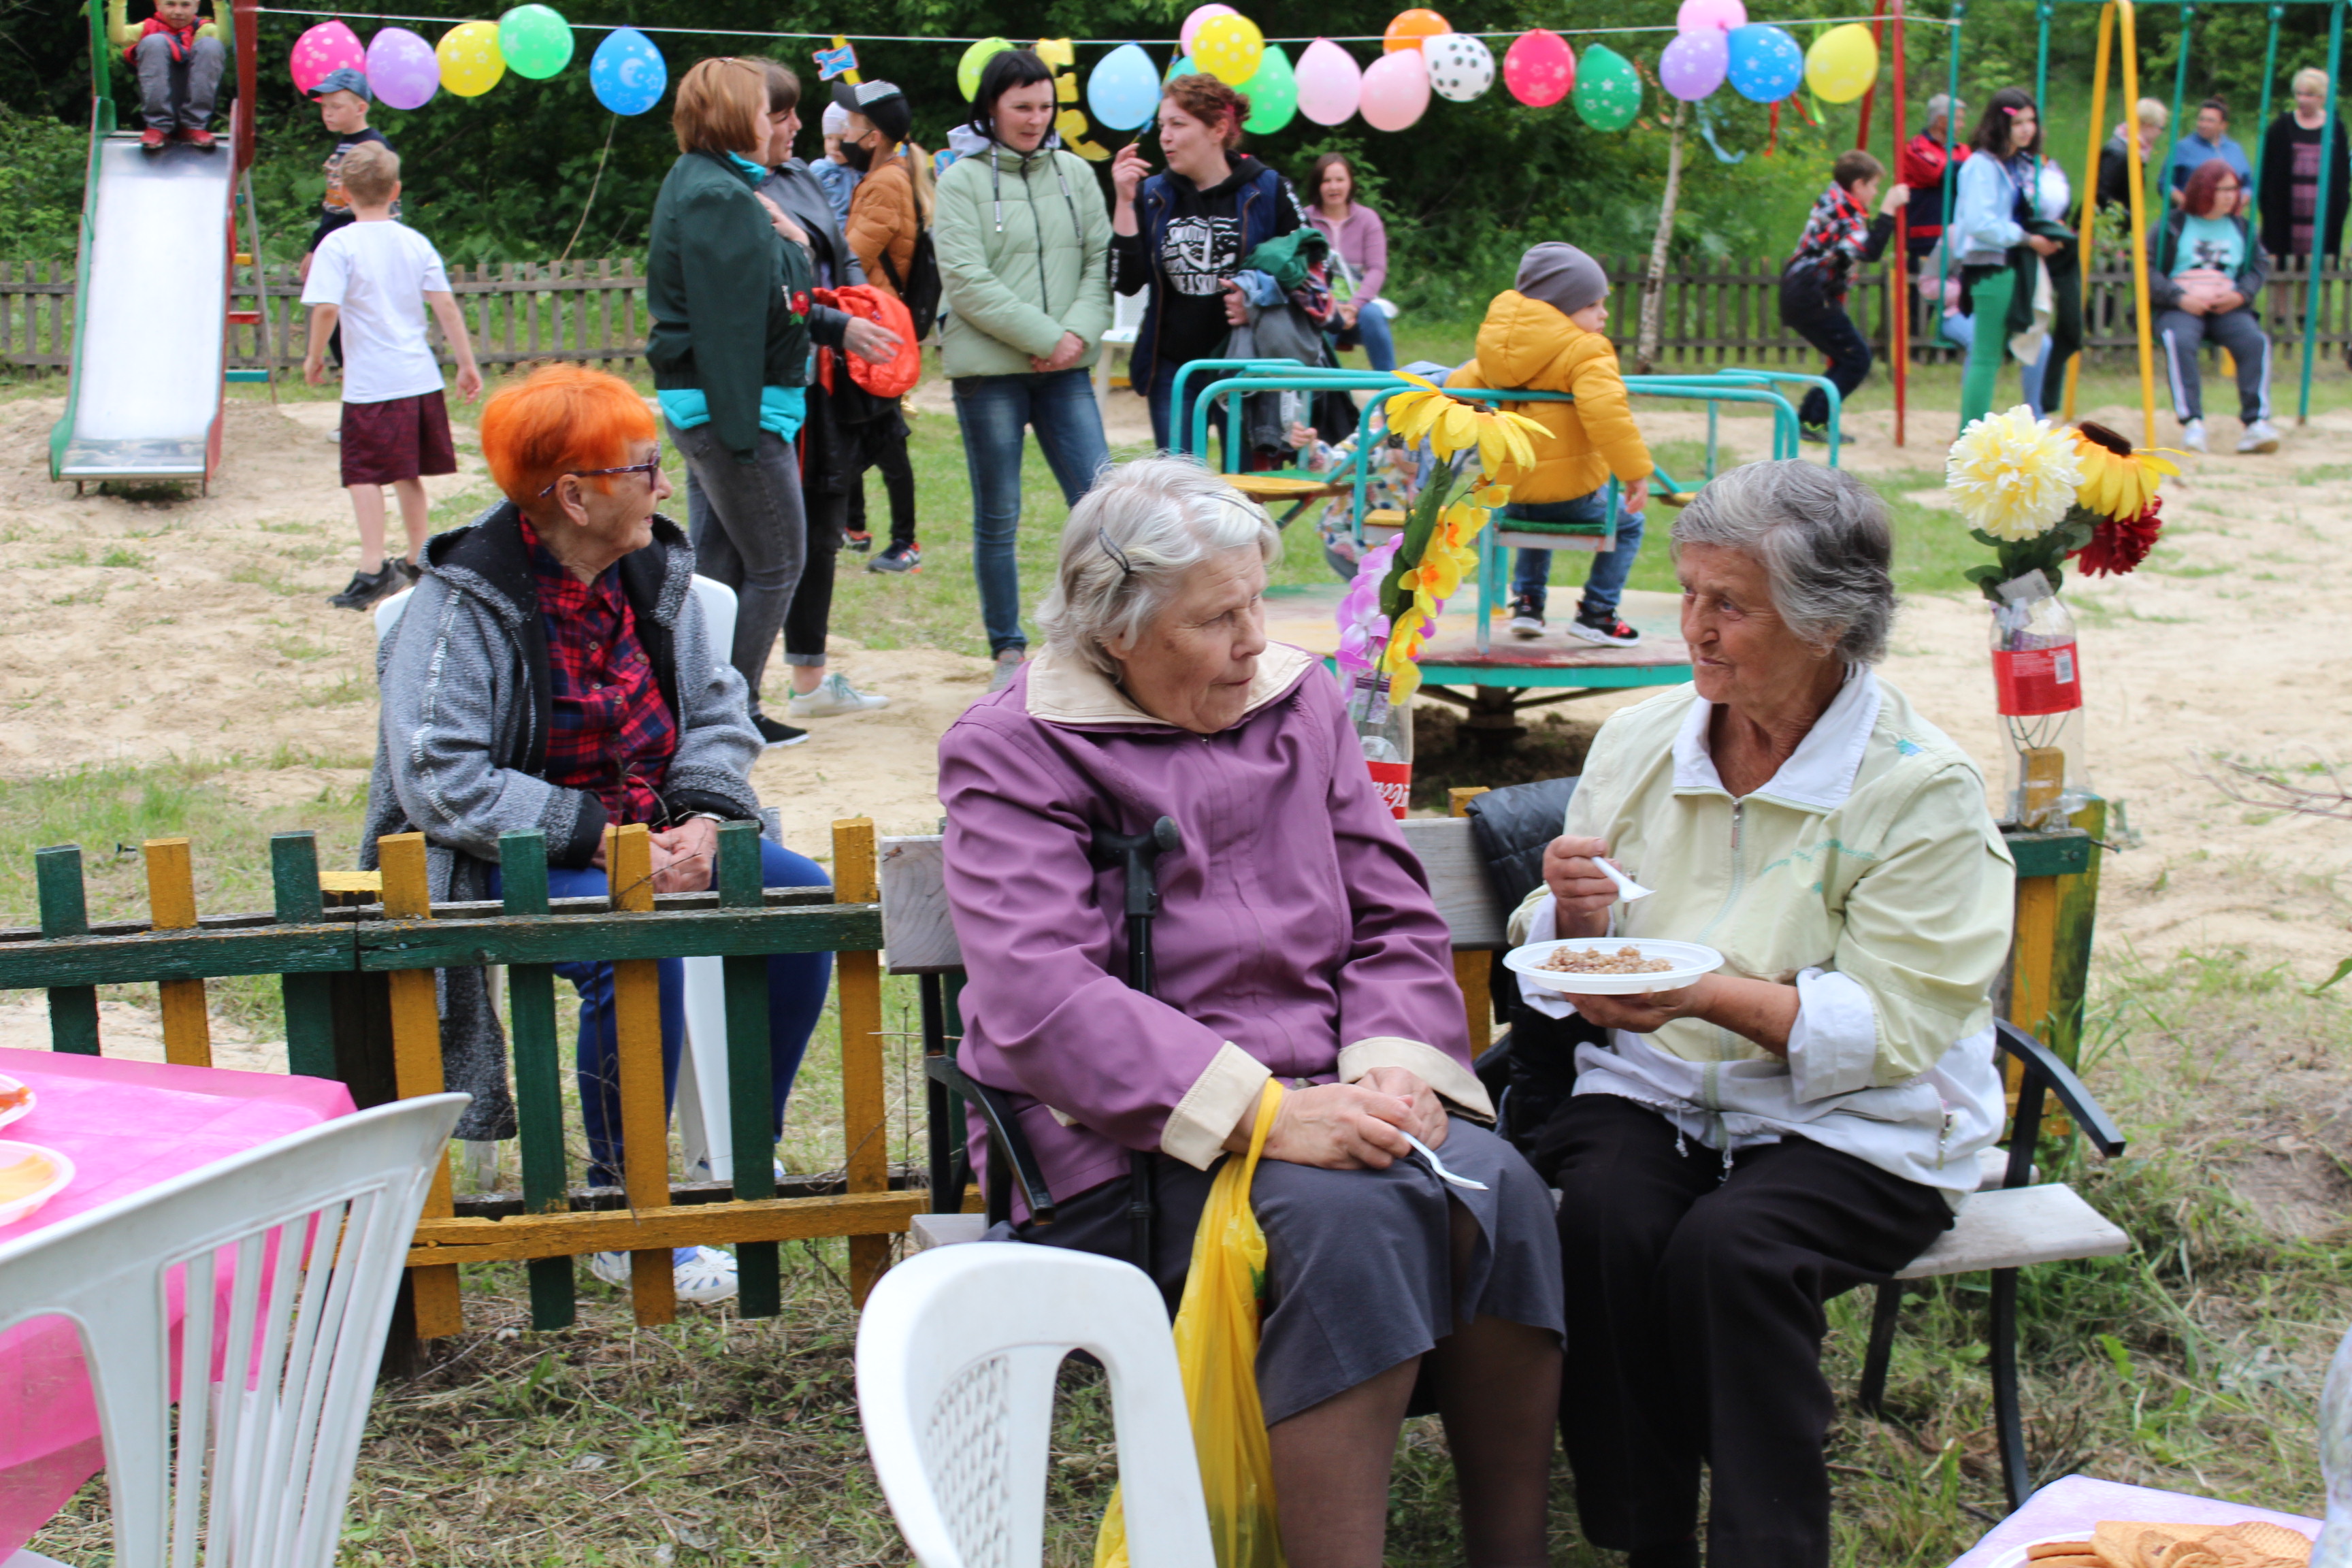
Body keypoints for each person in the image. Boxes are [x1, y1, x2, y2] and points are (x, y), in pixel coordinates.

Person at [939, 455, 1564, 1568]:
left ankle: (1509, 1553)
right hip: (1126, 1141)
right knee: (1351, 1224)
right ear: (1115, 629)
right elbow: (1039, 991)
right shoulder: (1015, 746)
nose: (1250, 640)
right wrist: (1266, 1112)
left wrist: (1394, 1068)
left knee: (1499, 1190)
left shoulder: (1298, 697)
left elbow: (1388, 912)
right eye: (1215, 617)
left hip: (1332, 1094)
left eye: (1256, 604)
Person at [1510, 459, 2012, 1568]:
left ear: (1827, 620)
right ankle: (1646, 1537)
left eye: (1727, 603)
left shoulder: (1919, 788)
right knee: (1602, 1217)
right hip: (1657, 1081)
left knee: (1730, 1252)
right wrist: (1567, 905)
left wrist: (1698, 991)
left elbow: (1893, 1027)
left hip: (1864, 1119)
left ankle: (1766, 1547)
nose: (1692, 626)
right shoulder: (1644, 739)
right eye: (1686, 592)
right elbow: (1561, 944)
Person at [361, 363, 838, 1307]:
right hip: (503, 855)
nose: (665, 486)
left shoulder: (656, 576)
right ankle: (627, 1213)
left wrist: (704, 817)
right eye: (643, 469)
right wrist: (600, 841)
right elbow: (440, 779)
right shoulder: (455, 605)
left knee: (801, 901)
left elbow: (720, 712)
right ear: (573, 496)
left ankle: (743, 1164)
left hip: (659, 837)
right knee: (633, 949)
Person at [647, 57, 865, 750]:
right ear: (736, 120)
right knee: (778, 562)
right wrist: (742, 439)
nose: (797, 124)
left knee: (722, 568)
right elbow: (729, 326)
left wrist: (835, 321)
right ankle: (727, 716)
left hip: (730, 407)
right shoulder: (717, 195)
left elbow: (772, 304)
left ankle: (697, 705)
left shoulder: (725, 187)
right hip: (734, 413)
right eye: (780, 114)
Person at [934, 48, 1115, 691]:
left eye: (1045, 107)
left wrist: (1072, 337)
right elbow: (965, 279)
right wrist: (1044, 335)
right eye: (1021, 107)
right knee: (998, 514)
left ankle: (1102, 635)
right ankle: (1007, 650)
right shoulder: (959, 181)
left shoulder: (1076, 173)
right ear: (991, 108)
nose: (1035, 119)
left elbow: (1100, 263)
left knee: (1102, 505)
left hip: (1065, 365)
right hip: (991, 372)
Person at [748, 60, 894, 722]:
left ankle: (809, 681)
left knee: (825, 528)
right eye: (784, 116)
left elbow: (838, 248)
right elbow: (782, 280)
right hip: (776, 384)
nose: (801, 126)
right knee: (769, 542)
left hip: (832, 381)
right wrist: (837, 313)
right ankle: (734, 689)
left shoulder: (802, 175)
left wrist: (866, 304)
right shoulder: (736, 190)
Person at [299, 143, 483, 611]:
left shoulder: (336, 245)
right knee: (407, 473)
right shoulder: (415, 242)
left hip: (372, 385)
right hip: (419, 379)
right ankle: (420, 561)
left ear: (341, 192)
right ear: (396, 190)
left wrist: (314, 356)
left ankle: (373, 567)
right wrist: (466, 363)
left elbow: (325, 308)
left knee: (362, 474)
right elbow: (444, 305)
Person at [1450, 242, 1654, 648]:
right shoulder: (1586, 350)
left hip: (1506, 493)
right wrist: (1634, 473)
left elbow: (1455, 388)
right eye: (1594, 305)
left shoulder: (1497, 353)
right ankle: (1598, 612)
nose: (1604, 314)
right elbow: (1607, 414)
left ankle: (1527, 602)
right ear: (1562, 310)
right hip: (1569, 496)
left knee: (1532, 510)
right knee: (1629, 524)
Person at [1111, 71, 1309, 452]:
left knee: (1251, 489)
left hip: (1249, 366)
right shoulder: (1153, 194)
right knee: (1179, 492)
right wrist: (1123, 200)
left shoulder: (1267, 188)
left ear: (1218, 128)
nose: (1165, 136)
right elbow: (1125, 281)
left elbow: (1314, 268)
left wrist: (1257, 298)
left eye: (1178, 125)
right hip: (1176, 369)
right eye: (1162, 125)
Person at [834, 78, 928, 576]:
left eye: (851, 122)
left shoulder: (885, 183)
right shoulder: (888, 175)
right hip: (875, 325)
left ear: (872, 136)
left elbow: (851, 255)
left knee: (885, 440)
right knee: (859, 430)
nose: (843, 131)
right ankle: (852, 527)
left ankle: (905, 543)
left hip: (877, 329)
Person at [1952, 88, 2071, 429]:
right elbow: (1980, 222)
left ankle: (2027, 415)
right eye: (2017, 122)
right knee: (1987, 355)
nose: (2026, 129)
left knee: (2022, 344)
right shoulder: (1982, 166)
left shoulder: (2019, 165)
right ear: (1999, 123)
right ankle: (1968, 436)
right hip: (1992, 263)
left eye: (2030, 120)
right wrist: (2026, 237)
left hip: (2018, 263)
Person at [1778, 149, 1908, 444]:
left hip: (1803, 290)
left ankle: (1807, 419)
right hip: (1811, 292)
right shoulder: (1845, 211)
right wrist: (1889, 209)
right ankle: (1813, 420)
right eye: (1874, 186)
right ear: (1859, 185)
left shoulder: (1833, 198)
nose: (1876, 193)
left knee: (1846, 357)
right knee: (1857, 359)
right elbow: (1870, 251)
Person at [2153, 158, 2279, 454]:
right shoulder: (2173, 225)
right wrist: (2178, 297)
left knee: (2255, 341)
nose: (2229, 196)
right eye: (2222, 189)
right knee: (2178, 340)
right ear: (2204, 190)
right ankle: (2193, 423)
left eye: (2233, 189)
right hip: (2181, 306)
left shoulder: (2241, 228)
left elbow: (2260, 266)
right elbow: (2148, 269)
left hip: (2227, 306)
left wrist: (2241, 295)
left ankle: (2256, 423)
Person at [1305, 152, 1396, 373]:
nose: (1333, 187)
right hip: (1319, 303)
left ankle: (1392, 396)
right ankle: (1322, 400)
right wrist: (1332, 305)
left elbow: (1377, 269)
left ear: (1350, 184)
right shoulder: (1304, 219)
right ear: (1318, 185)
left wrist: (1354, 306)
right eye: (1326, 181)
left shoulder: (1368, 219)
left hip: (1359, 305)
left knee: (1373, 316)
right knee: (1326, 319)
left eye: (1339, 180)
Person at [2259, 67, 2350, 263]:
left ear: (2321, 97)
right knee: (2283, 268)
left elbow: (2342, 174)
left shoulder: (2336, 127)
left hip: (2321, 214)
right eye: (2299, 94)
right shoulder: (2280, 127)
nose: (2302, 99)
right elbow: (2268, 175)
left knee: (2316, 266)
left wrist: (2340, 206)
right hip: (2286, 213)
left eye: (2309, 95)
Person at [112, 0, 223, 151]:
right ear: (158, 5)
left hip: (195, 109)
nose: (178, 11)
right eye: (170, 4)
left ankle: (194, 125)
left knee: (211, 45)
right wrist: (117, 3)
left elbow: (225, 40)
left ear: (197, 6)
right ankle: (158, 126)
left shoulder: (204, 29)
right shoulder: (149, 27)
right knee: (154, 41)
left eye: (185, 5)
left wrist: (220, 4)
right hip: (158, 106)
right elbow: (118, 37)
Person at [2018, 150, 2076, 418]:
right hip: (2016, 253)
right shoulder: (1999, 166)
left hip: (2050, 248)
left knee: (2061, 332)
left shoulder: (2049, 166)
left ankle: (2039, 407)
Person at [1897, 93, 1965, 266]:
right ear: (1942, 121)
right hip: (1926, 237)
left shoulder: (1962, 149)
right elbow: (1939, 173)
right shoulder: (1916, 148)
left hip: (1959, 235)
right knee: (1923, 290)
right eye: (1958, 120)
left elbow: (1972, 177)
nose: (1962, 125)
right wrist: (1960, 169)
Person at [2167, 96, 2254, 211]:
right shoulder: (2183, 147)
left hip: (2228, 217)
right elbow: (2165, 184)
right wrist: (2187, 203)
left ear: (2223, 125)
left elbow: (2249, 185)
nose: (2203, 125)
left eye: (2210, 121)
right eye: (2201, 119)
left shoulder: (2235, 149)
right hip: (2192, 215)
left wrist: (2240, 202)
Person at [2097, 97, 2170, 216]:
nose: (2160, 133)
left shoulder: (2133, 152)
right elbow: (2102, 195)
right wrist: (2129, 218)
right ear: (2147, 125)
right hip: (2103, 226)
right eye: (2160, 128)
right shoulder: (2119, 154)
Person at [812, 100, 861, 225]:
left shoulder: (864, 169)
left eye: (841, 139)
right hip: (829, 236)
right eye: (829, 138)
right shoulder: (819, 169)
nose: (834, 146)